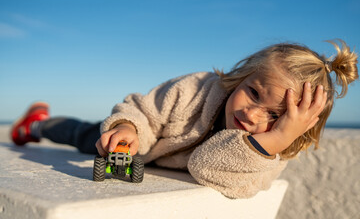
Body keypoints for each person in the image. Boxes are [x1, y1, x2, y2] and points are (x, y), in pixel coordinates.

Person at [10, 39, 358, 199]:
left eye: (275, 116)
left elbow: (209, 168)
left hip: (156, 163)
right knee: (83, 134)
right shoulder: (196, 88)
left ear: (297, 125)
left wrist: (274, 140)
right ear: (240, 77)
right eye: (252, 93)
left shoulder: (276, 150)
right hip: (138, 145)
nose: (252, 115)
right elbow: (143, 109)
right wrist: (127, 128)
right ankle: (38, 123)